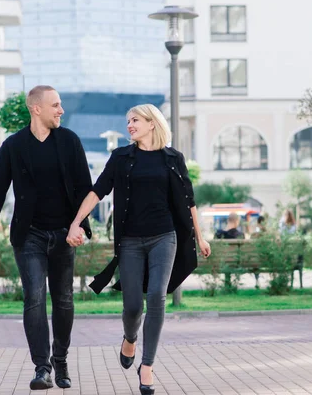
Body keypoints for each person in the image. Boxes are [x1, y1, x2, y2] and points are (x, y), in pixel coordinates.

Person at [66, 103, 211, 395]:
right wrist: (76, 223)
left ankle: (147, 366)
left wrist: (200, 236)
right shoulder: (121, 158)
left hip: (164, 237)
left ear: (152, 123)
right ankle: (130, 337)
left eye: (135, 120)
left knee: (156, 296)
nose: (129, 125)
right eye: (128, 121)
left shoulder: (172, 158)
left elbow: (188, 200)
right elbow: (97, 191)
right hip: (130, 240)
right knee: (133, 306)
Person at [0, 85, 92, 390]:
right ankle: (42, 367)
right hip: (29, 236)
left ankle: (61, 360)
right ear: (36, 108)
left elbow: (85, 188)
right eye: (55, 105)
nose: (61, 110)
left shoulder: (69, 141)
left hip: (64, 234)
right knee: (35, 299)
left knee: (64, 300)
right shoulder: (13, 146)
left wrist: (81, 226)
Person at [279, 209, 303, 288]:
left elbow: (281, 234)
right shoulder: (294, 226)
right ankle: (299, 283)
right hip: (293, 257)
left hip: (284, 256)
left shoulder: (282, 225)